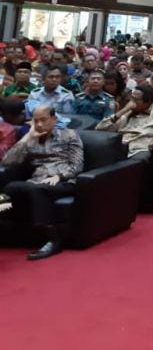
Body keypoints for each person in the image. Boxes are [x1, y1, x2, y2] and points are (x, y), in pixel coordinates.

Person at [1, 105, 84, 260]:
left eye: (43, 120)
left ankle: (53, 239)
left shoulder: (69, 136)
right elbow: (7, 162)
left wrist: (59, 176)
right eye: (35, 121)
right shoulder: (31, 139)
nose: (39, 125)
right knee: (11, 187)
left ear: (54, 119)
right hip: (36, 181)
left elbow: (77, 165)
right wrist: (27, 137)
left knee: (36, 189)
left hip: (63, 182)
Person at [96, 85, 153, 159]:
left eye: (136, 100)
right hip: (119, 147)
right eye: (131, 98)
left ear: (147, 102)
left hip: (139, 149)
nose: (131, 102)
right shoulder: (127, 113)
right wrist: (122, 111)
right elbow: (99, 129)